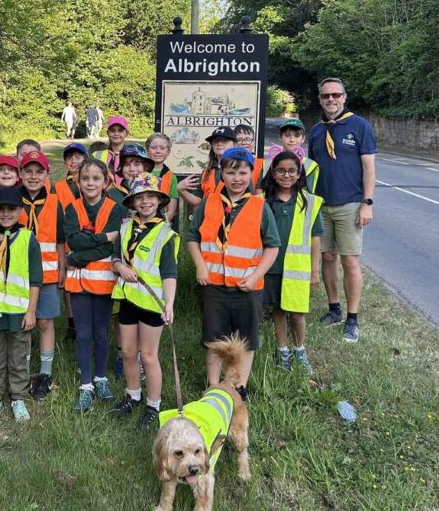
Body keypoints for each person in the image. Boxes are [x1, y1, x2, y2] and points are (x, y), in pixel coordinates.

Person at [186, 147, 281, 400]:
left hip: (247, 286)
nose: (236, 179)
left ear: (251, 173)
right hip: (214, 285)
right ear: (221, 174)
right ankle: (213, 385)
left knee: (246, 337)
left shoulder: (260, 207)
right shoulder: (209, 203)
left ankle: (239, 386)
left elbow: (272, 246)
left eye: (242, 172)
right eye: (230, 173)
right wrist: (200, 265)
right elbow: (192, 237)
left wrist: (254, 276)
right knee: (214, 337)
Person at [307, 77, 376, 343]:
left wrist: (367, 203)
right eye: (326, 96)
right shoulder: (316, 131)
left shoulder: (360, 126)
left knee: (350, 261)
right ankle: (333, 308)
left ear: (344, 97)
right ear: (320, 99)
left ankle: (352, 318)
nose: (331, 100)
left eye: (336, 95)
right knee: (327, 258)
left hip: (350, 204)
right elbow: (310, 171)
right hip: (321, 206)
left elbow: (369, 168)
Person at [109, 173, 179, 430]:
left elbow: (170, 273)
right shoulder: (126, 226)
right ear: (133, 202)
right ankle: (133, 395)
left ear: (159, 201)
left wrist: (169, 304)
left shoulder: (165, 234)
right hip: (128, 298)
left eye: (151, 196)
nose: (145, 202)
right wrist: (119, 267)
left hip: (152, 303)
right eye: (140, 198)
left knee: (148, 356)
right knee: (128, 352)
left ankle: (153, 405)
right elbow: (115, 258)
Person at [0, 187, 41, 424]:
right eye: (1, 209)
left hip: (19, 311)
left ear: (20, 211)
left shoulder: (28, 239)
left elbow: (35, 279)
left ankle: (18, 397)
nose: (6, 213)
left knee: (18, 355)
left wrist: (31, 311)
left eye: (11, 209)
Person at [64, 159, 122, 412]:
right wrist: (95, 242)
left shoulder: (114, 208)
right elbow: (74, 240)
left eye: (96, 178)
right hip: (78, 285)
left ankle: (101, 378)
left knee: (100, 333)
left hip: (102, 282)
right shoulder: (71, 208)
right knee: (83, 333)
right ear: (78, 181)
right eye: (85, 178)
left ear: (105, 181)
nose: (90, 182)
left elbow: (110, 246)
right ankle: (85, 385)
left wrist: (76, 258)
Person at [261, 151, 324, 373]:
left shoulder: (310, 202)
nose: (286, 175)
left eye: (291, 171)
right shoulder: (263, 201)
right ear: (273, 172)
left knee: (297, 312)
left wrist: (314, 271)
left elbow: (316, 239)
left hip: (298, 268)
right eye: (281, 170)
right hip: (272, 266)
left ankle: (299, 349)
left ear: (299, 174)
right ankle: (283, 350)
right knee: (278, 308)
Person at [16, 150, 66, 400]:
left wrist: (62, 270)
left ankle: (45, 373)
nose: (33, 176)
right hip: (18, 276)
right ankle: (21, 373)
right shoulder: (12, 199)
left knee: (45, 322)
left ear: (47, 174)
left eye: (39, 172)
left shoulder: (56, 202)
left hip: (47, 275)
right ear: (20, 173)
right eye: (28, 171)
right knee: (22, 324)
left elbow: (59, 241)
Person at [106, 143, 154, 379]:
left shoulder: (151, 192)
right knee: (120, 308)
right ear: (120, 168)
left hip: (145, 263)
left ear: (146, 167)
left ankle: (143, 357)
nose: (133, 169)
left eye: (138, 164)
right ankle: (121, 353)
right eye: (128, 164)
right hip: (118, 258)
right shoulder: (112, 192)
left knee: (144, 306)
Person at [55, 143, 89, 341]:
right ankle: (71, 322)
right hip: (68, 240)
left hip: (90, 240)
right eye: (70, 157)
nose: (74, 161)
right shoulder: (58, 187)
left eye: (78, 157)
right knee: (69, 284)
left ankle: (87, 319)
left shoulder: (92, 182)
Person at [177, 126, 236, 207]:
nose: (219, 143)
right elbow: (197, 201)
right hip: (209, 217)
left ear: (234, 144)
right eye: (215, 141)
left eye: (224, 140)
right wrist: (181, 190)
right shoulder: (206, 172)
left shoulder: (241, 169)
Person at [273, 119, 320, 193]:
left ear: (303, 138)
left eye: (297, 136)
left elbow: (308, 194)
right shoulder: (268, 163)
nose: (292, 140)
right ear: (280, 137)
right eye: (287, 135)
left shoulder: (310, 166)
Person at [145, 133, 179, 223]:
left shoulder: (171, 177)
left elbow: (171, 210)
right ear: (147, 150)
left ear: (168, 152)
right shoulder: (139, 172)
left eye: (162, 148)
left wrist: (158, 226)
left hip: (160, 223)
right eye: (153, 148)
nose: (158, 151)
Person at [234, 124, 264, 193]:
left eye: (248, 139)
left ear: (253, 143)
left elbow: (259, 192)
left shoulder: (261, 164)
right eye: (239, 140)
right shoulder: (227, 163)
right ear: (234, 143)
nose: (244, 143)